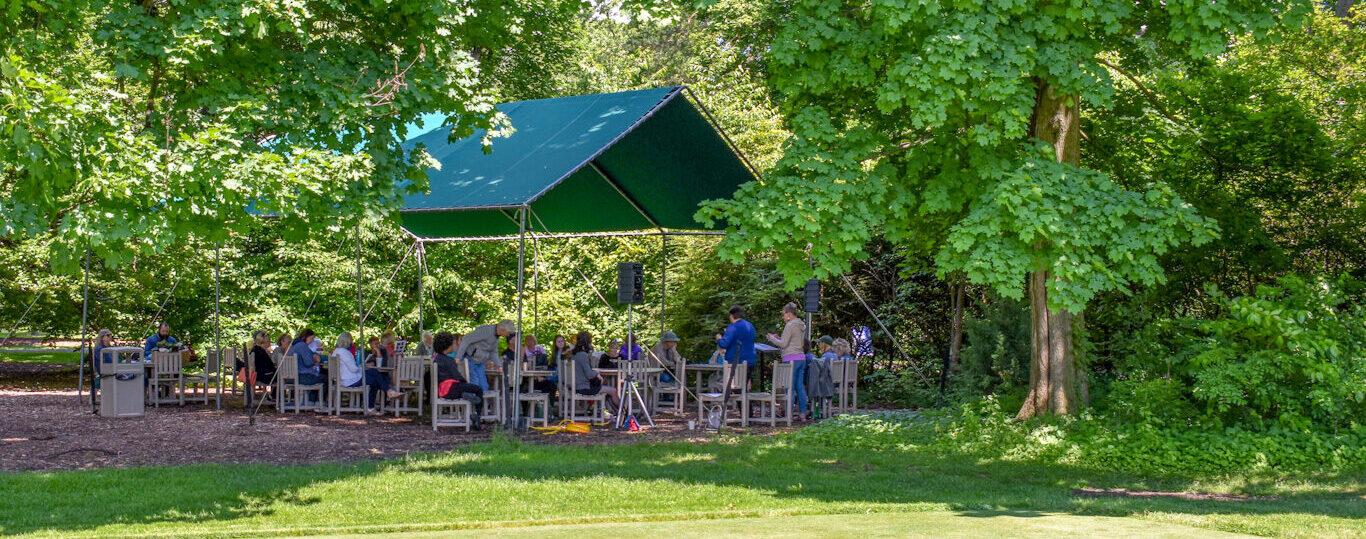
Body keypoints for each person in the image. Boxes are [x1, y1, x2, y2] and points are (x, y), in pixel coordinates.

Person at [433, 331, 483, 428]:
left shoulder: (437, 359)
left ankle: (465, 394)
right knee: (478, 389)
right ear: (447, 347)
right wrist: (466, 384)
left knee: (466, 388)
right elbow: (457, 376)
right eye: (452, 345)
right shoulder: (449, 360)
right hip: (452, 389)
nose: (453, 347)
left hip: (442, 390)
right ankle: (477, 416)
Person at [767, 302, 808, 420]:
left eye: (784, 314)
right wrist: (779, 338)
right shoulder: (801, 324)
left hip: (790, 358)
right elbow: (792, 341)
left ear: (789, 314)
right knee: (800, 387)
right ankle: (802, 414)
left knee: (789, 387)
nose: (783, 317)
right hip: (801, 357)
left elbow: (783, 344)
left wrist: (772, 338)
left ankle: (789, 414)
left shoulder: (790, 325)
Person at [340, 333, 399, 415]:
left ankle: (372, 407)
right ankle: (386, 393)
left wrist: (362, 365)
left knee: (375, 379)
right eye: (351, 341)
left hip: (346, 379)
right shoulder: (346, 353)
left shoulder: (338, 351)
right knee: (374, 374)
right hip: (351, 380)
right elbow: (354, 369)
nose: (352, 343)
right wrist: (363, 366)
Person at [454, 320, 515, 391]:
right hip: (470, 359)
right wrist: (458, 357)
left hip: (480, 362)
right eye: (508, 333)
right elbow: (466, 340)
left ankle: (483, 402)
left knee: (484, 387)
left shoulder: (496, 337)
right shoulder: (486, 330)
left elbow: (493, 352)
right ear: (502, 329)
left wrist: (499, 365)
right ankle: (474, 401)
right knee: (474, 384)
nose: (508, 335)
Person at [571, 331, 618, 412]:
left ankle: (609, 410)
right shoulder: (582, 355)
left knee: (605, 387)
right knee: (613, 390)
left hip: (577, 386)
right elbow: (589, 375)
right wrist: (597, 374)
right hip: (584, 388)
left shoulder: (575, 355)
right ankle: (624, 411)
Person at [289, 328, 327, 407]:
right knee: (325, 378)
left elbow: (309, 355)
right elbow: (308, 362)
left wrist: (313, 355)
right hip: (302, 376)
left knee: (319, 376)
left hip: (293, 376)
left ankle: (312, 401)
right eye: (311, 338)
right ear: (306, 337)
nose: (312, 341)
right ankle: (318, 402)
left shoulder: (294, 344)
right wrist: (315, 360)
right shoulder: (302, 345)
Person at [248, 330, 278, 397]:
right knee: (283, 377)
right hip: (264, 377)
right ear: (263, 342)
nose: (270, 343)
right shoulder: (261, 353)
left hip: (258, 375)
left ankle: (273, 396)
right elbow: (268, 367)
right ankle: (275, 397)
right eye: (268, 341)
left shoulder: (254, 350)